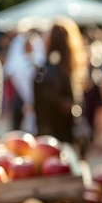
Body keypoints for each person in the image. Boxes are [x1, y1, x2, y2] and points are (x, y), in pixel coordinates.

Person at [33, 17, 88, 148]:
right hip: (62, 128)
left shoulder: (50, 68)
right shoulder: (66, 66)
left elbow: (52, 97)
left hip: (54, 127)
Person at [3, 25, 46, 135]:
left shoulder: (38, 56)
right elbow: (10, 71)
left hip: (36, 98)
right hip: (20, 96)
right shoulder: (18, 49)